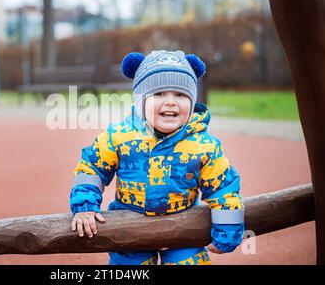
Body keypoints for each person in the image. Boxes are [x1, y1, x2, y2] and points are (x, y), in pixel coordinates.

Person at [69, 50, 245, 265]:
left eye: (180, 95)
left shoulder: (203, 145)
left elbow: (223, 187)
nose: (170, 102)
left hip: (184, 229)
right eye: (159, 94)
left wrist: (228, 229)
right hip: (129, 229)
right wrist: (85, 206)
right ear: (140, 100)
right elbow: (91, 168)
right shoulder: (120, 136)